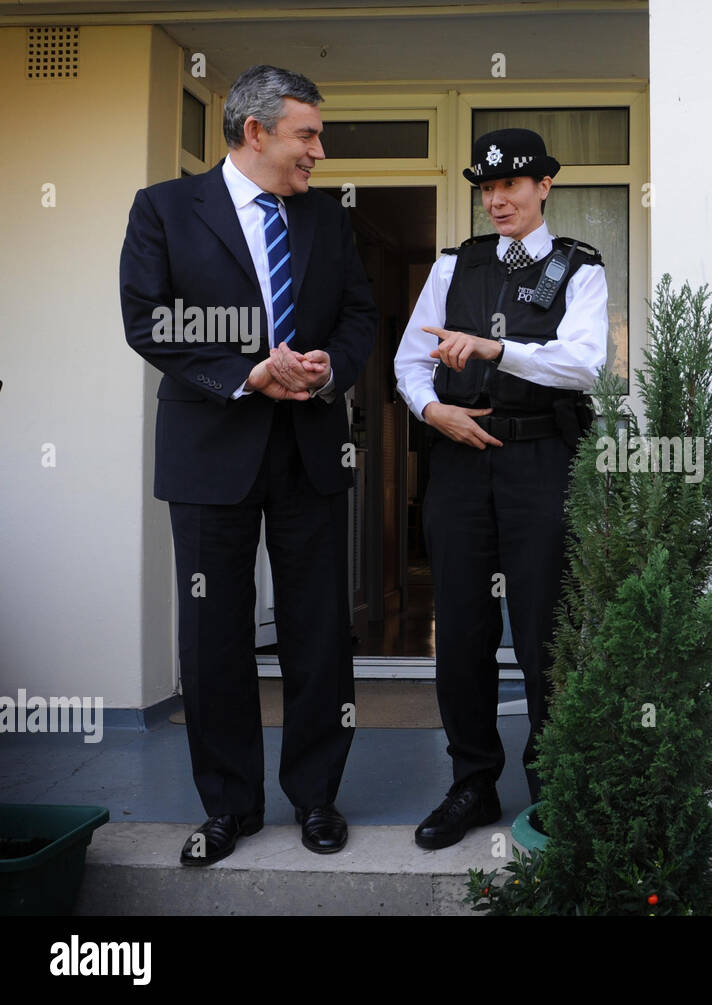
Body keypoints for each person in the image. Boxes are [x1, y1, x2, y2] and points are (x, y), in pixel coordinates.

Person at [120, 64, 377, 865]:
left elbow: (362, 313)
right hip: (209, 454)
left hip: (308, 451)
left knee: (318, 633)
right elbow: (147, 317)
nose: (319, 152)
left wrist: (328, 367)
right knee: (214, 638)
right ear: (255, 132)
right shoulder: (165, 208)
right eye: (307, 134)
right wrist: (244, 373)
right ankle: (229, 807)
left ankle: (317, 798)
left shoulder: (328, 219)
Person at [394, 127, 608, 849]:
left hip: (538, 462)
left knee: (546, 629)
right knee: (459, 628)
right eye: (487, 187)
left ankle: (554, 786)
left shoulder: (580, 268)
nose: (497, 199)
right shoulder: (455, 266)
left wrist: (497, 347)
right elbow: (409, 358)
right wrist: (433, 409)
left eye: (511, 185)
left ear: (545, 185)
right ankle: (472, 784)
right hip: (458, 461)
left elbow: (582, 365)